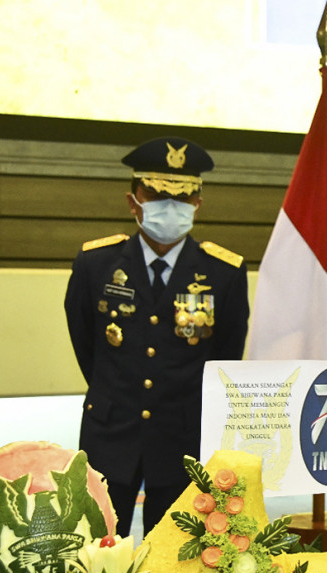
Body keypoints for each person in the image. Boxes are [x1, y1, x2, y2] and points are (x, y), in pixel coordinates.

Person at [64, 137, 250, 537]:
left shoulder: (224, 273)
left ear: (198, 203)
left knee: (173, 557)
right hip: (110, 432)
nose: (170, 207)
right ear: (133, 201)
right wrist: (112, 389)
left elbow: (225, 357)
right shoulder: (96, 265)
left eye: (183, 197)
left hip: (181, 439)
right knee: (97, 550)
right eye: (157, 194)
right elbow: (86, 341)